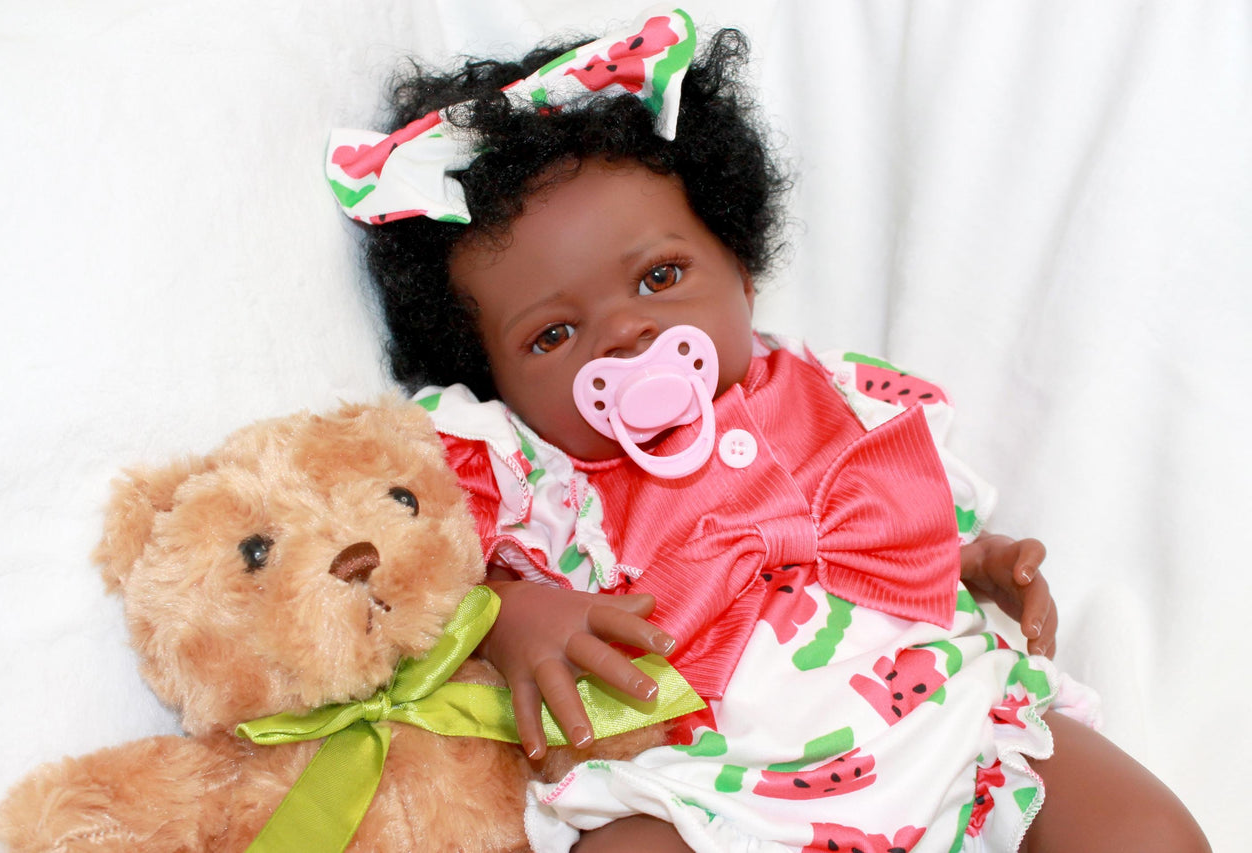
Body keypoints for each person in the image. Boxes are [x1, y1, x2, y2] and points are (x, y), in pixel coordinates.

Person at [326, 9, 1210, 852]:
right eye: (554, 335)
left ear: (742, 269)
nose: (627, 331)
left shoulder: (835, 392)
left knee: (1147, 833)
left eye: (661, 275)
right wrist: (512, 614)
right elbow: (422, 581)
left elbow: (907, 500)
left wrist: (977, 559)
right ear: (494, 382)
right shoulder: (535, 478)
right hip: (711, 786)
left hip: (945, 713)